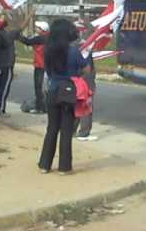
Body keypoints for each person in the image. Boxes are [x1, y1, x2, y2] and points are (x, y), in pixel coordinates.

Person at [38, 19, 90, 175]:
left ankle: (44, 164)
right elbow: (86, 69)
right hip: (68, 92)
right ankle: (64, 167)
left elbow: (47, 71)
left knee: (52, 128)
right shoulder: (74, 51)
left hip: (53, 90)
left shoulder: (47, 50)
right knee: (66, 129)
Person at [0, 12, 31, 116]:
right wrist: (29, 15)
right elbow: (21, 27)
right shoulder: (8, 34)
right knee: (4, 89)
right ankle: (0, 109)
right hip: (7, 65)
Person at [19, 20, 49, 114]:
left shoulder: (39, 38)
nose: (35, 29)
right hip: (50, 65)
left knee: (38, 88)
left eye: (37, 28)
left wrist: (17, 35)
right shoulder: (51, 37)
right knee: (48, 88)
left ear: (42, 29)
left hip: (40, 65)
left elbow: (27, 42)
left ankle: (39, 107)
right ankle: (48, 106)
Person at [74, 54, 98, 141]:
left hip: (77, 74)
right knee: (86, 103)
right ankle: (84, 132)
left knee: (78, 102)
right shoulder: (85, 46)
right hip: (85, 73)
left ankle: (71, 130)